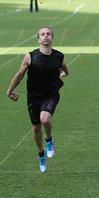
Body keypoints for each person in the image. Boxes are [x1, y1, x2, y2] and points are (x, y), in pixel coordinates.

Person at [6, 26, 69, 172]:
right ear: (38, 39)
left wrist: (64, 74)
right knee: (36, 128)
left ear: (52, 38)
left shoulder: (59, 56)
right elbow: (20, 74)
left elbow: (65, 69)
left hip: (51, 94)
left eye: (48, 34)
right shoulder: (30, 56)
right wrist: (10, 90)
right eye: (42, 34)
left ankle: (49, 141)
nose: (45, 36)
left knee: (45, 119)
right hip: (33, 96)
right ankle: (41, 155)